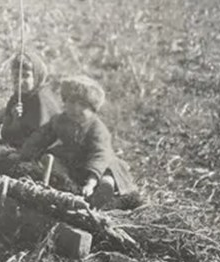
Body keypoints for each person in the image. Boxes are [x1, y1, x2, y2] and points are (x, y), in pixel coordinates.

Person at [17, 75, 142, 210]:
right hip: (74, 160)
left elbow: (99, 154)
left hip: (99, 162)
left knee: (108, 171)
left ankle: (105, 188)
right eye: (71, 102)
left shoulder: (97, 128)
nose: (75, 108)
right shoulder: (60, 120)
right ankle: (66, 184)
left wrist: (91, 183)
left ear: (93, 109)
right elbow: (41, 137)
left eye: (82, 105)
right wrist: (24, 155)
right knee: (51, 159)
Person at [0, 51, 62, 174]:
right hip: (18, 148)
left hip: (37, 156)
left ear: (37, 77)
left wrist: (16, 123)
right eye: (15, 75)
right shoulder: (19, 97)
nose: (19, 80)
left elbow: (37, 140)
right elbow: (5, 128)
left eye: (25, 75)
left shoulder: (41, 101)